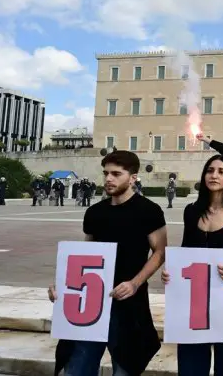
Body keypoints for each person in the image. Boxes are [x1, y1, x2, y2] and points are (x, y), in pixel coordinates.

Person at [48, 150, 168, 376]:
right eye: (106, 173)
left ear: (133, 178)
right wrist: (63, 285)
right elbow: (84, 254)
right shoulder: (95, 213)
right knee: (77, 368)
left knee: (125, 368)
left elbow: (160, 253)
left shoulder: (149, 211)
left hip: (127, 304)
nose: (108, 179)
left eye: (116, 174)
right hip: (91, 302)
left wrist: (135, 283)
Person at [162, 154, 223, 375]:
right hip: (195, 301)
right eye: (210, 170)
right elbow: (186, 250)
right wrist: (172, 271)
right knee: (191, 365)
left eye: (221, 172)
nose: (214, 175)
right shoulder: (192, 211)